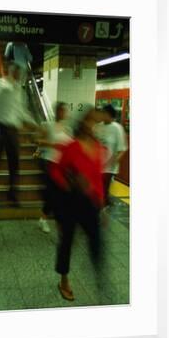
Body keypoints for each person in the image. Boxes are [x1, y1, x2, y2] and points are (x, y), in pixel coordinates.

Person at [49, 105, 107, 302]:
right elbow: (56, 171)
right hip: (71, 200)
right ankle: (64, 279)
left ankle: (100, 278)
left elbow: (98, 177)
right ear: (84, 124)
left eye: (98, 123)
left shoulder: (98, 148)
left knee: (97, 241)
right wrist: (69, 182)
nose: (96, 126)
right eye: (93, 121)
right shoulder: (71, 147)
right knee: (67, 242)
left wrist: (101, 203)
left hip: (90, 202)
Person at [0, 63, 35, 205]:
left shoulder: (19, 90)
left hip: (13, 129)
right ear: (11, 71)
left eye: (20, 72)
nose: (19, 75)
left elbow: (22, 111)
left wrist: (34, 124)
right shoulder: (1, 85)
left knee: (14, 163)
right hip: (0, 127)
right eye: (17, 71)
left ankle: (13, 194)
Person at [34, 102, 72, 233]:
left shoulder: (68, 129)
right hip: (49, 162)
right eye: (62, 111)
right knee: (52, 194)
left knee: (60, 194)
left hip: (63, 166)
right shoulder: (47, 125)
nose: (64, 113)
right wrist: (52, 144)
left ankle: (50, 219)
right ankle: (44, 219)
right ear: (57, 112)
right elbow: (37, 140)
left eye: (65, 111)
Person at [95, 104, 128, 208]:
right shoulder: (97, 126)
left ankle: (103, 208)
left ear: (109, 114)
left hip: (109, 167)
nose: (102, 115)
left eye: (104, 113)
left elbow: (122, 149)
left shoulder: (117, 128)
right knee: (96, 189)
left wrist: (115, 161)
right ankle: (101, 205)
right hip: (97, 164)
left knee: (103, 189)